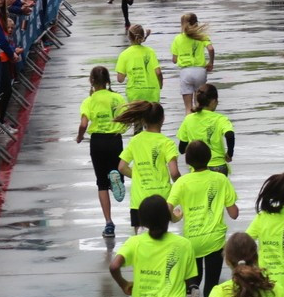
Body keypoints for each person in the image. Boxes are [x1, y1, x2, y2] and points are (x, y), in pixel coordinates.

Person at [167, 141, 238, 297]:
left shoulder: (183, 182)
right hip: (215, 242)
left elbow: (169, 209)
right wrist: (231, 207)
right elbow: (234, 213)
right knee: (212, 289)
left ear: (187, 161)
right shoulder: (220, 179)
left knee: (193, 282)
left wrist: (177, 216)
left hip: (192, 243)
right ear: (209, 158)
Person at [77, 66, 127, 238]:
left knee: (101, 183)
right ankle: (117, 180)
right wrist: (121, 128)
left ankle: (109, 223)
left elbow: (84, 124)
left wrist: (79, 137)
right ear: (108, 81)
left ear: (91, 81)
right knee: (116, 169)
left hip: (97, 141)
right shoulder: (117, 98)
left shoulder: (89, 101)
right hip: (114, 139)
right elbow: (126, 117)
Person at [116, 101, 179, 233]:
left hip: (139, 201)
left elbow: (122, 167)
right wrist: (182, 185)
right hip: (162, 200)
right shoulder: (167, 143)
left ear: (144, 119)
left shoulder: (135, 141)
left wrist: (138, 175)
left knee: (140, 243)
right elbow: (174, 173)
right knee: (161, 240)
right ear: (163, 119)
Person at [176, 84, 233, 175]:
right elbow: (229, 134)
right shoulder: (220, 119)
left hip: (197, 169)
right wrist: (230, 153)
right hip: (218, 167)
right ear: (213, 101)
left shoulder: (188, 119)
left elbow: (182, 149)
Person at [170, 13, 213, 112]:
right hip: (200, 72)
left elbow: (174, 60)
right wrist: (211, 62)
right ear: (196, 23)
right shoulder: (202, 36)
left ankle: (189, 125)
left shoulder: (178, 38)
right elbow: (210, 49)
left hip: (186, 72)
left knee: (188, 108)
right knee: (199, 105)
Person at [116, 25, 162, 104]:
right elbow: (158, 72)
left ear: (129, 37)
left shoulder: (124, 54)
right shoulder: (150, 51)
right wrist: (160, 85)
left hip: (135, 94)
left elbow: (120, 79)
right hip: (152, 92)